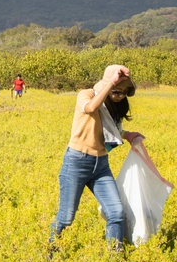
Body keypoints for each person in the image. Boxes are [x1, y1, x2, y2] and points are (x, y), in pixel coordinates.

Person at [50, 64, 143, 248]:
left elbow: (112, 130)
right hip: (77, 162)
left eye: (125, 91)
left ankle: (114, 258)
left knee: (116, 213)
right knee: (66, 217)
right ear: (107, 84)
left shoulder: (113, 107)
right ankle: (51, 251)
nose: (120, 95)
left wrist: (128, 134)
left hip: (101, 166)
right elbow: (91, 108)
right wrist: (110, 83)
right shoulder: (87, 95)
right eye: (118, 89)